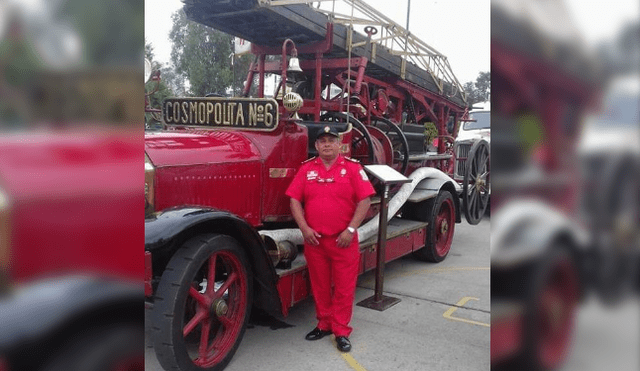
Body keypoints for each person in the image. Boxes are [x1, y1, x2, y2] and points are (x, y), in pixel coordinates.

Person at [285, 125, 375, 353]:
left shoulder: (353, 169)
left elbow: (365, 201)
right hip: (315, 241)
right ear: (316, 145)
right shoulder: (306, 169)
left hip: (343, 241)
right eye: (322, 141)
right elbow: (294, 200)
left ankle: (341, 331)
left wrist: (351, 230)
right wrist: (304, 229)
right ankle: (324, 324)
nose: (326, 144)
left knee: (344, 288)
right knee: (320, 286)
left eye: (331, 140)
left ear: (340, 144)